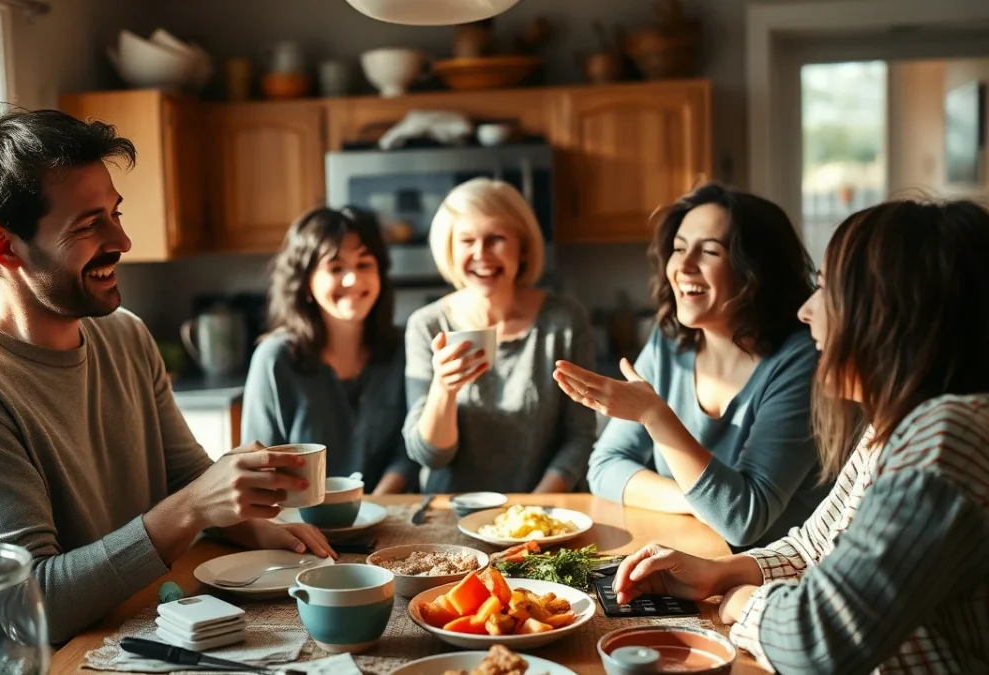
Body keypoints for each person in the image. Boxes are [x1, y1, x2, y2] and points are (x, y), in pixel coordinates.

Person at [0, 105, 335, 646]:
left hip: (157, 624)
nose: (122, 242)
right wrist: (196, 505)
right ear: (4, 246)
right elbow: (33, 606)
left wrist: (248, 520)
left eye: (116, 212)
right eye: (89, 224)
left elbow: (184, 476)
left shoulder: (125, 335)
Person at [612, 199, 989, 673]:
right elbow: (814, 546)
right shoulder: (892, 426)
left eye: (829, 290)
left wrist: (742, 601)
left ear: (892, 314)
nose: (808, 311)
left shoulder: (942, 443)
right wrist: (719, 573)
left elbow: (818, 640)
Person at [556, 183, 826, 547]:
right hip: (694, 558)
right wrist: (697, 502)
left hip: (774, 580)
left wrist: (655, 415)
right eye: (679, 248)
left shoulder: (802, 361)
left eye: (709, 251)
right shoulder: (670, 343)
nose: (683, 266)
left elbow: (743, 520)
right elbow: (604, 468)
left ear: (757, 271)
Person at [402, 177, 596, 494]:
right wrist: (444, 390)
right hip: (451, 517)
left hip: (543, 518)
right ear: (450, 250)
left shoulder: (564, 321)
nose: (481, 254)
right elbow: (431, 456)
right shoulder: (427, 325)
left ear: (522, 247)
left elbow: (580, 435)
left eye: (495, 238)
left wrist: (533, 509)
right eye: (467, 241)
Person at [241, 206, 418, 493]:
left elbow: (409, 450)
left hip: (387, 519)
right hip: (299, 523)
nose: (353, 280)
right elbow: (259, 464)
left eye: (364, 264)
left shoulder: (403, 350)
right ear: (305, 282)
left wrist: (372, 506)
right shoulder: (274, 359)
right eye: (336, 268)